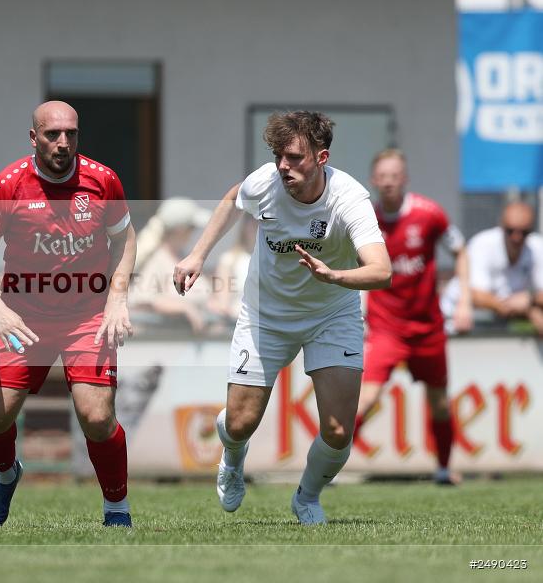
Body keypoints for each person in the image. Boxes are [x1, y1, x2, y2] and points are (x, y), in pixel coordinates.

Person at [174, 111, 391, 525]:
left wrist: (336, 275)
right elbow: (232, 199)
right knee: (239, 424)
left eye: (294, 158)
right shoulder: (265, 183)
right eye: (278, 156)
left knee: (339, 431)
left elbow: (381, 271)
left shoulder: (350, 199)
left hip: (332, 312)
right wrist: (197, 254)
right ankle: (233, 461)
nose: (282, 166)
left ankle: (307, 497)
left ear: (322, 157)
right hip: (265, 315)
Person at [0, 101, 136, 527]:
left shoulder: (103, 180)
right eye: (52, 134)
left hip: (86, 316)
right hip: (23, 317)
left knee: (97, 417)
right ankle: (5, 476)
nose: (63, 143)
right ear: (33, 137)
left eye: (71, 134)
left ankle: (117, 508)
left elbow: (125, 238)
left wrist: (116, 298)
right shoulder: (9, 185)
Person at [355, 149, 471, 485]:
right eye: (383, 176)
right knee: (367, 398)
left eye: (395, 176)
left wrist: (463, 301)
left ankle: (444, 469)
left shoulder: (429, 214)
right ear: (373, 181)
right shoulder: (365, 220)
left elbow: (460, 250)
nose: (389, 182)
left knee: (439, 403)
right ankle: (328, 467)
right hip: (385, 327)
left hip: (427, 327)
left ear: (404, 179)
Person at [441, 201, 543, 335]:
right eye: (510, 231)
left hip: (496, 322)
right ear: (501, 226)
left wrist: (530, 299)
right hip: (457, 319)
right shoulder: (483, 244)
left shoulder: (537, 247)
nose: (516, 238)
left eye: (523, 232)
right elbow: (476, 295)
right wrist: (528, 310)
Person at [131, 197, 213, 333]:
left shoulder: (184, 258)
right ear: (180, 230)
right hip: (164, 346)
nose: (194, 234)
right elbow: (143, 300)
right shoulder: (156, 259)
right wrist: (185, 308)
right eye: (191, 228)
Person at [208, 214, 258, 320]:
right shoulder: (229, 260)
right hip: (238, 323)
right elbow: (222, 302)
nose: (256, 227)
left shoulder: (272, 261)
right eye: (252, 222)